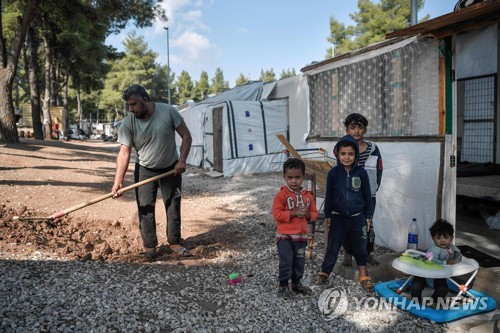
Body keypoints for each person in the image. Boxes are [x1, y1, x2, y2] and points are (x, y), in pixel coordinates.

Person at [111, 84, 192, 259]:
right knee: (145, 208)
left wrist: (182, 160)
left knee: (173, 206)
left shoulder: (168, 111)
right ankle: (149, 247)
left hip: (171, 168)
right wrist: (118, 182)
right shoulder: (128, 123)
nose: (131, 109)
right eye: (129, 106)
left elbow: (186, 136)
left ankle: (175, 242)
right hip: (145, 170)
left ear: (145, 100)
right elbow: (124, 154)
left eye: (134, 104)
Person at [315, 135, 375, 291]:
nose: (347, 157)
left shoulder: (361, 173)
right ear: (337, 154)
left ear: (356, 155)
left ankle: (364, 275)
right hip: (338, 217)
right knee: (333, 246)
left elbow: (367, 196)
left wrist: (368, 216)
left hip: (358, 218)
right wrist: (328, 215)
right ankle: (325, 271)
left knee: (360, 247)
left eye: (350, 154)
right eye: (343, 154)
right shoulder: (333, 173)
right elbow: (329, 196)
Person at [341, 113, 383, 267]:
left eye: (360, 127)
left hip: (368, 195)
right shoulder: (344, 148)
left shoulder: (373, 148)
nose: (356, 131)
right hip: (349, 195)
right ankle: (348, 253)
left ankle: (367, 253)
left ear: (365, 129)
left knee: (367, 225)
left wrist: (374, 188)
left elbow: (379, 169)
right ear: (347, 130)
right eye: (352, 127)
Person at [272, 158, 318, 298]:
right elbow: (277, 214)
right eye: (290, 177)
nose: (294, 181)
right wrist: (293, 213)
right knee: (286, 261)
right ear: (284, 177)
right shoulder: (281, 195)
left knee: (299, 261)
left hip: (301, 237)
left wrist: (308, 214)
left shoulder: (308, 196)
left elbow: (315, 213)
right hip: (285, 236)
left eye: (297, 177)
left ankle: (296, 284)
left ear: (303, 177)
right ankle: (283, 286)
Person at [410, 219, 462, 305]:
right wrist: (445, 263)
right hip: (425, 273)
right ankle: (416, 302)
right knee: (415, 286)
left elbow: (458, 253)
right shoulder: (433, 249)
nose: (442, 241)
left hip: (439, 274)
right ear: (433, 238)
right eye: (438, 238)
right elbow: (431, 260)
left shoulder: (451, 247)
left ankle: (433, 300)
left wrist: (457, 259)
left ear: (451, 238)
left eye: (446, 238)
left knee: (443, 289)